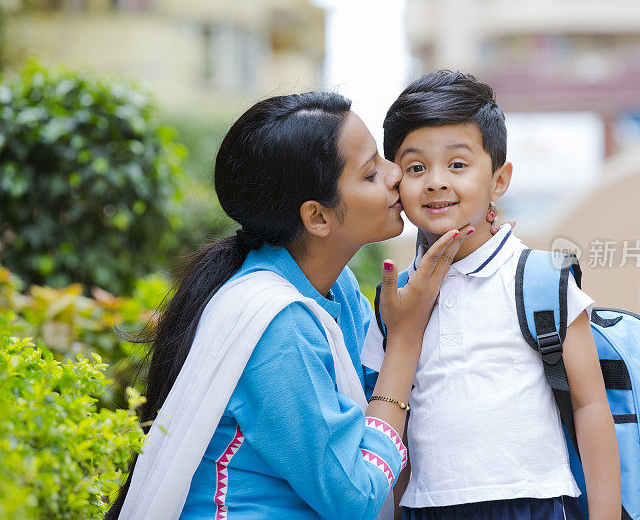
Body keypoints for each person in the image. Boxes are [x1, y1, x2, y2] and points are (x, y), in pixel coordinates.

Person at [106, 91, 482, 520]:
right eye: (370, 173)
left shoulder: (335, 289)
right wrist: (404, 338)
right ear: (317, 217)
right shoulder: (278, 325)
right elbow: (356, 497)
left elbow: (380, 401)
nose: (396, 173)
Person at [362, 71, 621, 520]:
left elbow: (591, 404)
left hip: (533, 503)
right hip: (427, 508)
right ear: (396, 185)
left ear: (499, 181)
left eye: (458, 164)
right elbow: (390, 426)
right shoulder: (396, 301)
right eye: (416, 167)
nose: (436, 182)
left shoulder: (541, 278)